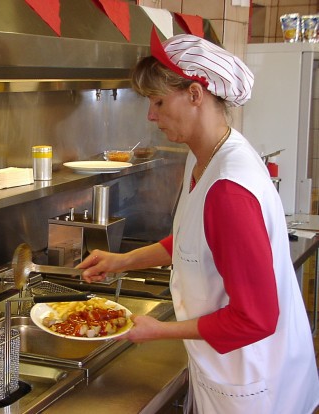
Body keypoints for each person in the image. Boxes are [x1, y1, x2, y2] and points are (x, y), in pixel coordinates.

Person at [76, 27, 319, 413]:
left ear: (195, 95)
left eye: (157, 102)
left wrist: (158, 331)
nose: (151, 116)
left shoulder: (228, 186)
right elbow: (193, 240)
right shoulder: (205, 154)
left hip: (256, 386)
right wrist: (122, 261)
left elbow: (256, 318)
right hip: (229, 370)